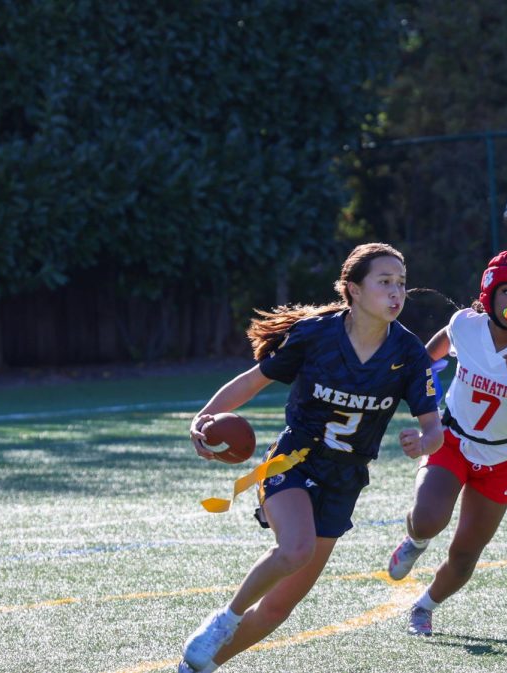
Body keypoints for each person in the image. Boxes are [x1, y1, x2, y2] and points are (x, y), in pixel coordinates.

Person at [178, 242, 444, 672]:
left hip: (346, 477)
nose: (396, 292)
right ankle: (223, 620)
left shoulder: (408, 353)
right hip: (293, 460)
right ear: (353, 290)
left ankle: (198, 667)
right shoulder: (316, 336)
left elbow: (434, 429)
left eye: (401, 283)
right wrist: (205, 416)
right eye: (384, 282)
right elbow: (253, 381)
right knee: (295, 548)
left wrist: (424, 442)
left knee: (278, 608)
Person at [385, 250, 507, 636]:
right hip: (452, 440)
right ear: (489, 292)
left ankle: (424, 606)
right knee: (428, 519)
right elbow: (431, 353)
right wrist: (420, 395)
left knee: (466, 554)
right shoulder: (465, 325)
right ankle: (414, 541)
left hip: (503, 458)